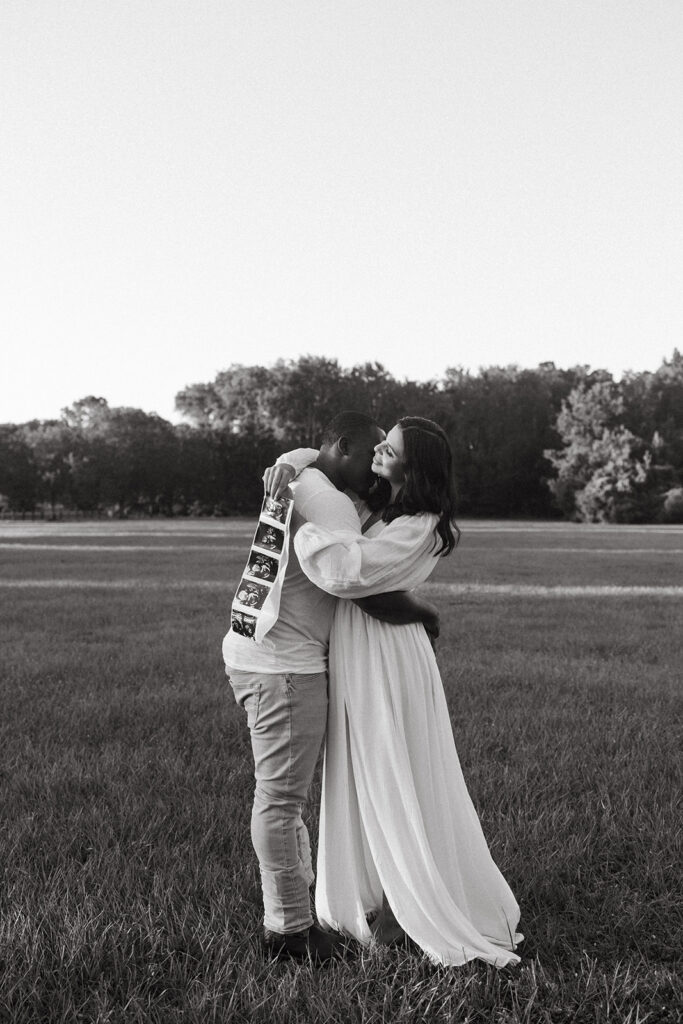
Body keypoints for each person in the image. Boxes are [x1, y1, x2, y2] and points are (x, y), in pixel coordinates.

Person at [268, 417, 522, 967]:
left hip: (386, 655)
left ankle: (403, 911)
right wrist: (292, 461)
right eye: (381, 442)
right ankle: (381, 893)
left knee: (393, 770)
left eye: (393, 446)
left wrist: (301, 525)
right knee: (365, 771)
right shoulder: (383, 507)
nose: (380, 448)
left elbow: (350, 576)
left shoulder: (421, 524)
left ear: (416, 465)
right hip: (360, 650)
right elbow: (320, 458)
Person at [223, 411, 441, 963]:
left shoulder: (304, 477)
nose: (374, 464)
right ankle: (288, 932)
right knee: (279, 800)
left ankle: (296, 912)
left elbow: (304, 461)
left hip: (253, 647)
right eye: (369, 451)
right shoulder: (331, 503)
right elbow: (354, 582)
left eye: (386, 451)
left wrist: (290, 458)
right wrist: (425, 613)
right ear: (341, 447)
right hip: (285, 667)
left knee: (283, 798)